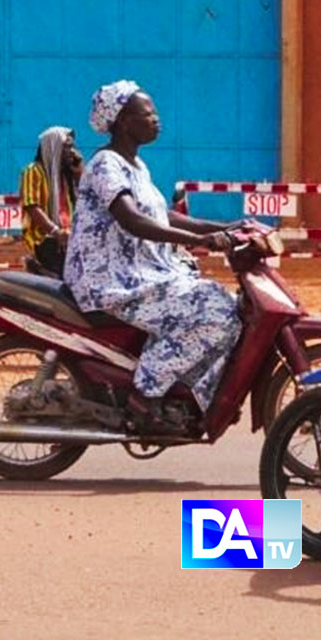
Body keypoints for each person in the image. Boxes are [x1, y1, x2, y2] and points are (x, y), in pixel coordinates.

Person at [63, 80, 248, 430]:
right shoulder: (105, 165)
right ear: (121, 121)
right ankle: (145, 394)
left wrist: (223, 226)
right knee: (215, 309)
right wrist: (205, 243)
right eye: (147, 114)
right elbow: (132, 219)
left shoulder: (136, 166)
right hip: (109, 280)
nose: (156, 120)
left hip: (142, 273)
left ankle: (185, 394)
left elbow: (164, 216)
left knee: (227, 309)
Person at [18, 126, 81, 277]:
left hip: (67, 238)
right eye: (67, 147)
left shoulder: (66, 175)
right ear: (54, 147)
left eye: (73, 147)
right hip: (45, 240)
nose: (72, 152)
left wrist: (79, 173)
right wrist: (55, 232)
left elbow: (82, 201)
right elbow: (32, 206)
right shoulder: (33, 171)